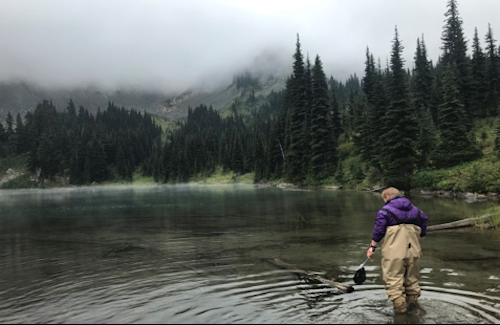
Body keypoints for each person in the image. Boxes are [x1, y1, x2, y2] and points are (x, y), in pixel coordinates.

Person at [366, 187, 428, 314]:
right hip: (414, 251)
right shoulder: (417, 211)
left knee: (393, 281)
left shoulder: (385, 211)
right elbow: (423, 232)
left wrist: (372, 246)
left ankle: (401, 313)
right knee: (412, 280)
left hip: (394, 252)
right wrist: (418, 248)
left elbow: (379, 231)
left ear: (387, 197)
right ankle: (413, 310)